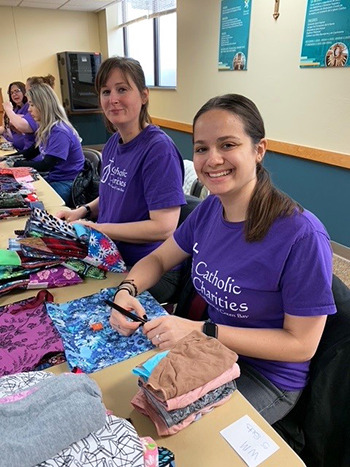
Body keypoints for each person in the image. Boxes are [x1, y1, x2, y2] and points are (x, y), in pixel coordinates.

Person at [109, 93, 336, 425]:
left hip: (265, 377)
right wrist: (126, 292)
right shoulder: (210, 210)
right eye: (201, 148)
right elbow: (158, 260)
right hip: (210, 352)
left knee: (181, 441)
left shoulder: (301, 235)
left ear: (259, 150)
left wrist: (203, 330)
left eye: (227, 145)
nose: (212, 159)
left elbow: (301, 345)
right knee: (129, 409)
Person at [56, 57, 186, 304]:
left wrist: (98, 228)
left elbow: (164, 227)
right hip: (111, 253)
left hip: (150, 269)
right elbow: (112, 192)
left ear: (144, 95)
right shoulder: (115, 142)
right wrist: (82, 211)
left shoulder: (158, 149)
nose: (112, 99)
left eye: (122, 89)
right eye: (106, 91)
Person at [0, 84, 84, 205]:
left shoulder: (59, 131)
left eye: (32, 105)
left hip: (67, 182)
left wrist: (12, 164)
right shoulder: (46, 128)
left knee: (32, 204)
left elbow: (46, 165)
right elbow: (31, 152)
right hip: (54, 177)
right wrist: (6, 159)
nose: (29, 109)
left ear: (43, 105)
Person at [0, 81, 37, 151]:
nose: (14, 94)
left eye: (17, 91)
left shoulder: (30, 108)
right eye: (11, 93)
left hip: (24, 149)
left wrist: (8, 110)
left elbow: (22, 127)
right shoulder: (14, 109)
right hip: (10, 145)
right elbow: (4, 127)